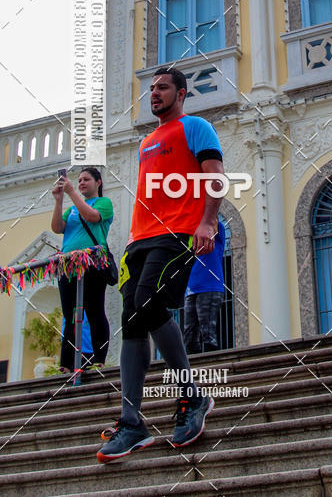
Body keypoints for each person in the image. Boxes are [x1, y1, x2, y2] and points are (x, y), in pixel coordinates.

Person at [97, 66, 225, 463]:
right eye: (151, 88)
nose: (154, 94)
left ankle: (191, 396)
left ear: (181, 93)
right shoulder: (147, 141)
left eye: (163, 88)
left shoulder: (196, 127)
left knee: (150, 302)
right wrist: (131, 240)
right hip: (141, 238)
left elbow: (215, 178)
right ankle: (132, 423)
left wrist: (207, 222)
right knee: (133, 320)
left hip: (179, 232)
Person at [51, 167, 113, 371]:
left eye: (86, 179)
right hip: (68, 264)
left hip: (92, 262)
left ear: (98, 182)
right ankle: (67, 363)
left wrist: (71, 193)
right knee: (70, 315)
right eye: (78, 180)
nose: (81, 183)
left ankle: (98, 358)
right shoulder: (73, 208)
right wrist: (59, 200)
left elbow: (92, 217)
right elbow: (57, 227)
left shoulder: (104, 203)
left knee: (95, 311)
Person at [184, 219, 226, 354]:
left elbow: (212, 222)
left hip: (210, 287)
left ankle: (211, 367)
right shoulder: (189, 234)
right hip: (191, 290)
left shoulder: (214, 227)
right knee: (189, 337)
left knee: (208, 333)